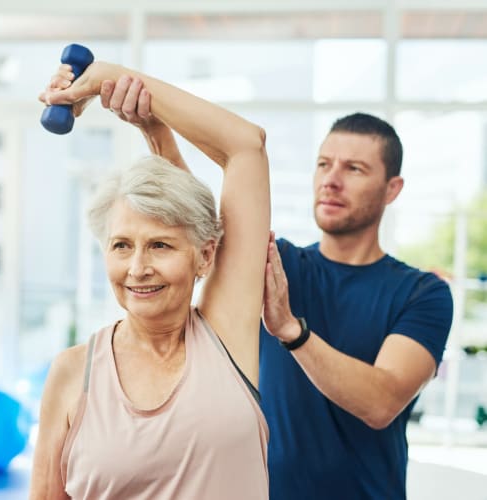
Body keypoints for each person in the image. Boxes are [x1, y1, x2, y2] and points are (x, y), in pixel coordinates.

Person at [123, 103, 453, 499]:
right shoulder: (283, 266)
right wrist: (156, 130)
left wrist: (291, 331)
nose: (331, 180)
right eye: (323, 164)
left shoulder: (422, 293)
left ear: (392, 189)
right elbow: (197, 225)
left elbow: (382, 402)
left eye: (354, 169)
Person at [30, 61, 270, 499]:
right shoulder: (71, 373)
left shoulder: (225, 338)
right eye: (121, 245)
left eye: (160, 245)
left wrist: (108, 79)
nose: (138, 267)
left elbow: (245, 146)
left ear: (205, 256)